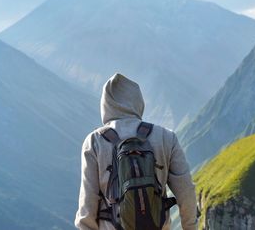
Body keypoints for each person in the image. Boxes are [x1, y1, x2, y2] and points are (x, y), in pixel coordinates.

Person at [75, 73, 198, 230]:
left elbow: (88, 204)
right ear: (138, 102)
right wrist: (190, 227)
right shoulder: (165, 137)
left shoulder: (94, 142)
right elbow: (186, 191)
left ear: (105, 105)